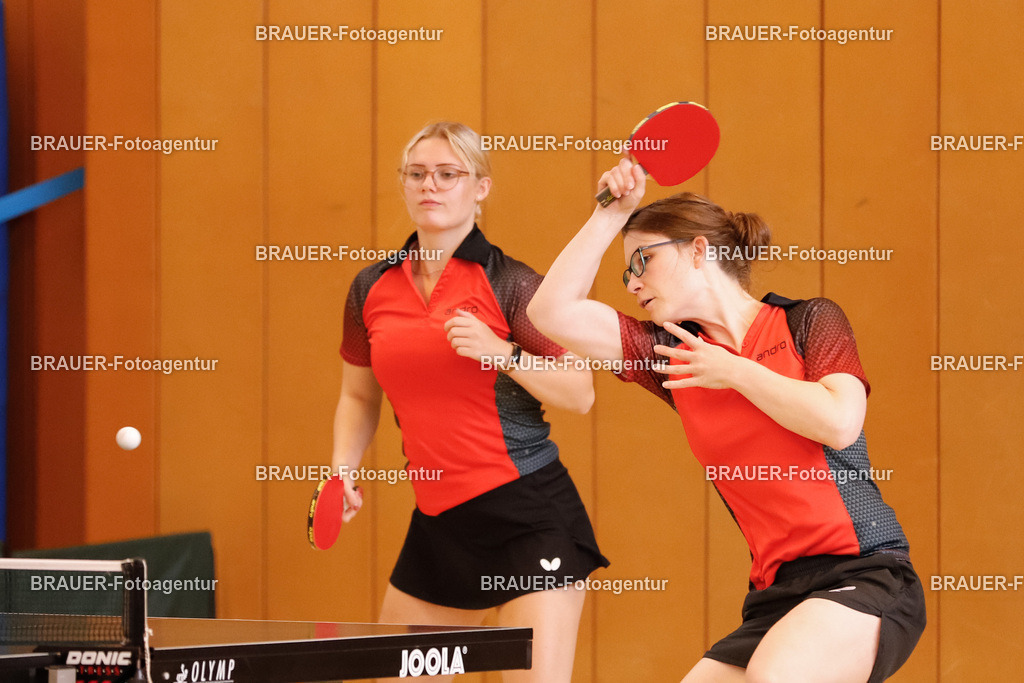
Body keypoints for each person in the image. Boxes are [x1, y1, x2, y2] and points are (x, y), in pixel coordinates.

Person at [527, 159, 925, 683]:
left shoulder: (808, 320)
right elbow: (549, 313)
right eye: (627, 271)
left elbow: (839, 421)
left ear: (698, 249)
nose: (631, 282)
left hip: (867, 569)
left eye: (641, 260)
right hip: (776, 592)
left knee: (775, 675)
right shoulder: (672, 355)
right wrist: (609, 215)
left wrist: (734, 371)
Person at [332, 121, 608, 683]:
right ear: (404, 184)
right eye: (417, 174)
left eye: (448, 174)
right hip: (440, 527)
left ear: (479, 188)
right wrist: (342, 470)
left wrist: (502, 352)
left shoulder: (513, 285)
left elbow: (580, 392)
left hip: (529, 520)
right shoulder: (371, 288)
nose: (430, 185)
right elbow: (359, 394)